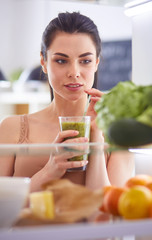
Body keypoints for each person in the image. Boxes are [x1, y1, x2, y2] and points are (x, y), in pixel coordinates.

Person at [0, 12, 134, 192]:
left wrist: (95, 134)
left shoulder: (119, 138)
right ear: (44, 62)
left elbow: (104, 217)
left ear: (96, 63)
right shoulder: (12, 128)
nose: (74, 72)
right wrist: (50, 170)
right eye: (61, 60)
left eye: (85, 60)